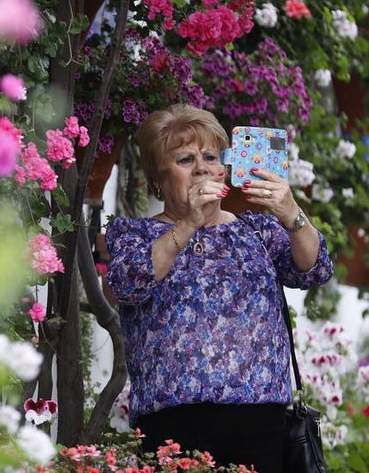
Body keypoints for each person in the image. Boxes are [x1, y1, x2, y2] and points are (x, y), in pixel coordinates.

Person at [105, 104, 333, 473]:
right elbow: (128, 284)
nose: (202, 168)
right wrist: (190, 222)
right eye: (184, 159)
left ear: (224, 169)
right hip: (174, 428)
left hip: (260, 426)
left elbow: (314, 269)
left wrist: (291, 212)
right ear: (158, 180)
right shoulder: (134, 235)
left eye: (211, 157)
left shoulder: (256, 230)